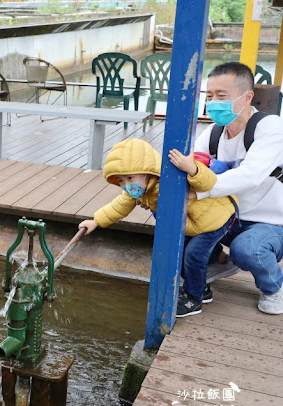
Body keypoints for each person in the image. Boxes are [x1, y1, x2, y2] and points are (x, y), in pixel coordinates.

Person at [79, 138, 238, 317]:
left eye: (130, 177)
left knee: (193, 255)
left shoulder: (172, 177)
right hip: (192, 224)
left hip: (216, 219)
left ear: (148, 172)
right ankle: (201, 288)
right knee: (179, 254)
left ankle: (194, 299)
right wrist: (96, 221)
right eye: (121, 181)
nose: (127, 185)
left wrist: (192, 169)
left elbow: (208, 182)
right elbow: (119, 206)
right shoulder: (141, 189)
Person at [181, 61, 283, 315]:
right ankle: (211, 268)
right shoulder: (214, 133)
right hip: (228, 217)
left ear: (247, 97)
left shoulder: (270, 128)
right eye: (210, 95)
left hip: (269, 223)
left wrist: (201, 191)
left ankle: (274, 287)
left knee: (247, 249)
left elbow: (250, 176)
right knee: (175, 220)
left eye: (221, 96)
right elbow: (191, 162)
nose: (214, 102)